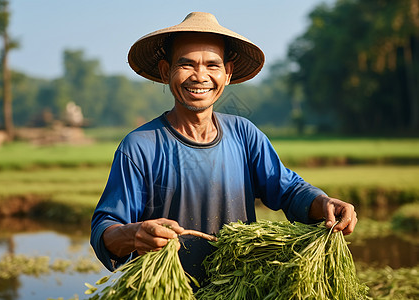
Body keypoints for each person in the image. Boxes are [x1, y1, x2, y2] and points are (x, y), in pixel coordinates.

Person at [90, 12, 358, 284]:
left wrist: (324, 203)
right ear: (165, 71)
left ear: (227, 73)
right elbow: (105, 229)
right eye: (186, 64)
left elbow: (288, 190)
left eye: (212, 65)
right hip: (168, 290)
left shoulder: (244, 135)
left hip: (238, 287)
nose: (200, 76)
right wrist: (134, 234)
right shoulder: (140, 147)